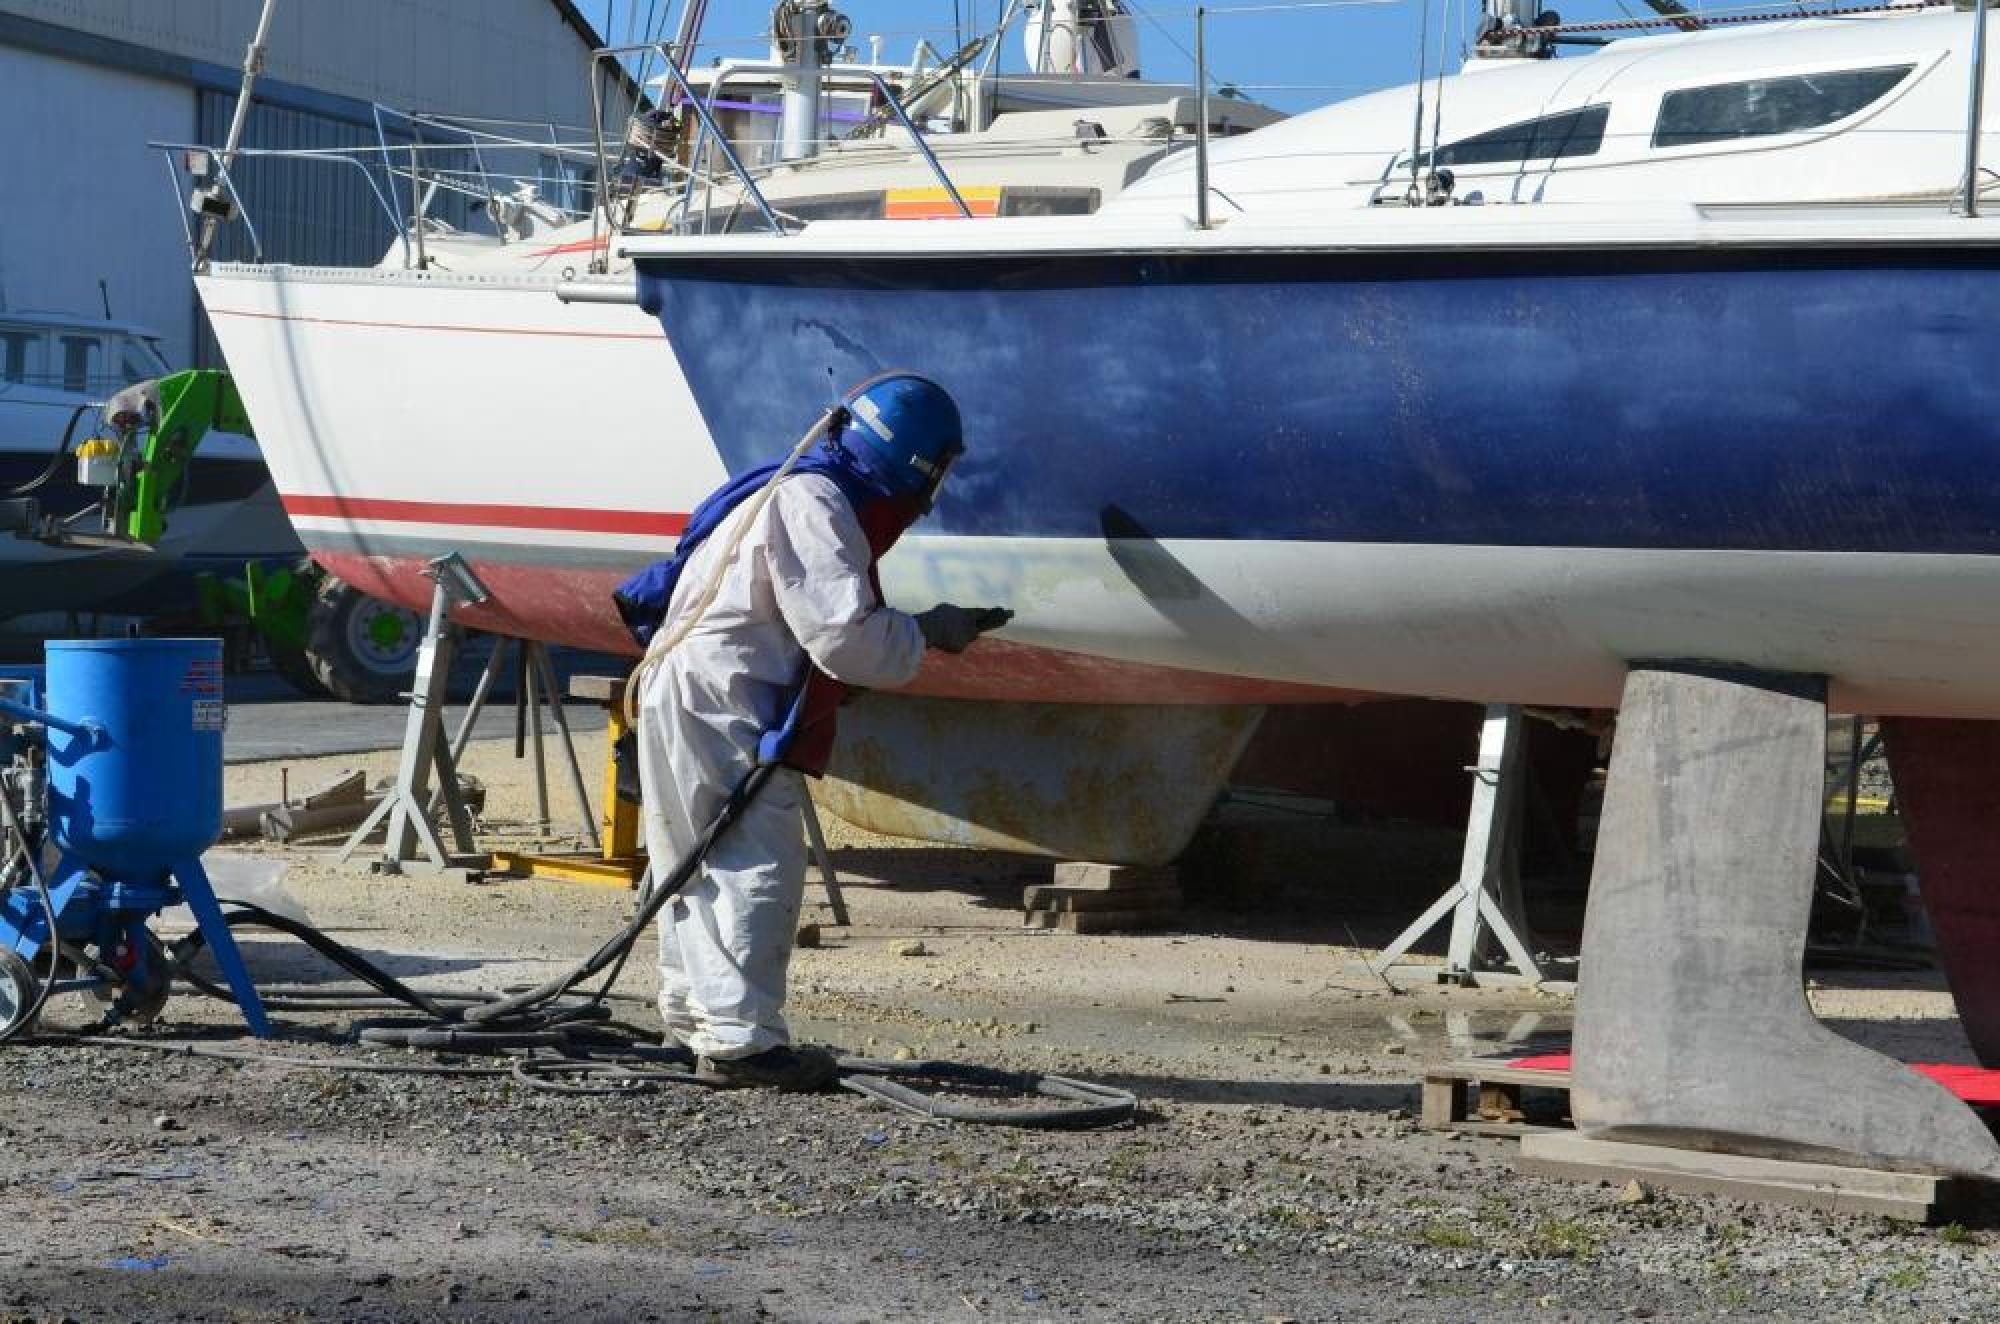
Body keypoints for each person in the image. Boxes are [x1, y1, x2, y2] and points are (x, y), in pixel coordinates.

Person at [617, 373, 1009, 1091]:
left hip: (691, 686)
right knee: (753, 863)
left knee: (689, 861)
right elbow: (842, 637)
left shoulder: (797, 487)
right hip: (723, 699)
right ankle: (743, 1044)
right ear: (916, 463)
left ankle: (697, 1019)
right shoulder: (817, 503)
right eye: (939, 472)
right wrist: (928, 633)